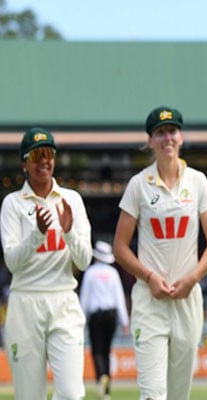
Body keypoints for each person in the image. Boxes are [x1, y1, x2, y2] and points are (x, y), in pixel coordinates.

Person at [113, 106, 207, 399]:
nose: (167, 138)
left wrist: (193, 278)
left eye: (172, 131)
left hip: (187, 299)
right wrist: (149, 277)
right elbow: (120, 247)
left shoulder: (197, 181)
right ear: (150, 141)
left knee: (178, 393)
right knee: (153, 393)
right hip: (150, 301)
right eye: (160, 133)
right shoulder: (138, 185)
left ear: (181, 137)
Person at [0, 127, 93, 399]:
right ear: (24, 163)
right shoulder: (13, 204)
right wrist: (37, 234)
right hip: (25, 302)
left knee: (71, 393)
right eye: (36, 155)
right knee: (29, 395)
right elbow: (12, 263)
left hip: (64, 300)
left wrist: (69, 231)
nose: (44, 161)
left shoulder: (71, 200)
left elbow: (84, 260)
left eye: (48, 154)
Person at [80, 240, 130, 399]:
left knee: (97, 351)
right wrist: (125, 321)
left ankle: (101, 377)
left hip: (96, 316)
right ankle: (107, 388)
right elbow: (119, 298)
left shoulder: (90, 273)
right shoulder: (113, 273)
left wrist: (81, 320)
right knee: (107, 351)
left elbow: (85, 297)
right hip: (111, 315)